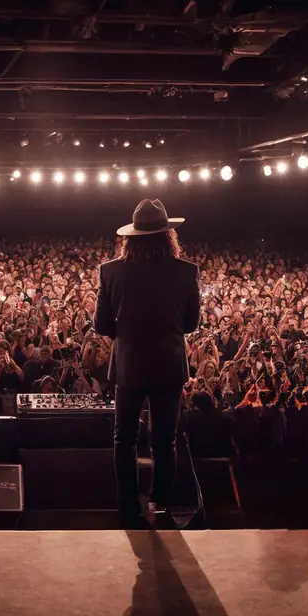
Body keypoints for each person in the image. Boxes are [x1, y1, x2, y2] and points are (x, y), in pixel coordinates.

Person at [93, 199, 201, 525]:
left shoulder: (110, 270)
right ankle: (160, 505)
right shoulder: (186, 271)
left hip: (129, 366)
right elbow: (190, 324)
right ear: (168, 235)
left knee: (124, 439)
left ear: (132, 236)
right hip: (169, 366)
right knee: (165, 440)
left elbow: (101, 325)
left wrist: (128, 333)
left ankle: (128, 508)